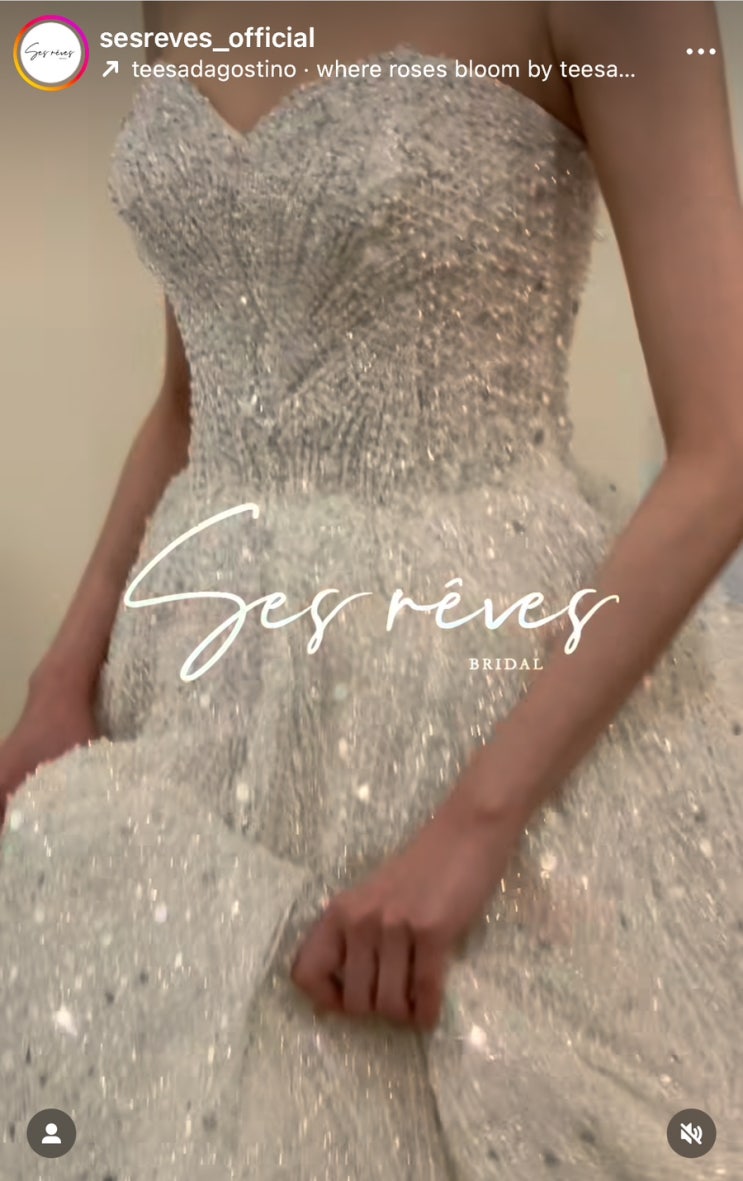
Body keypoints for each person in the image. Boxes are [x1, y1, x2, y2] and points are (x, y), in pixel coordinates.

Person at [1, 2, 742, 1177]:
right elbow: (192, 403)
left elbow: (723, 451)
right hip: (187, 684)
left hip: (472, 696)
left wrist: (473, 825)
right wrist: (62, 674)